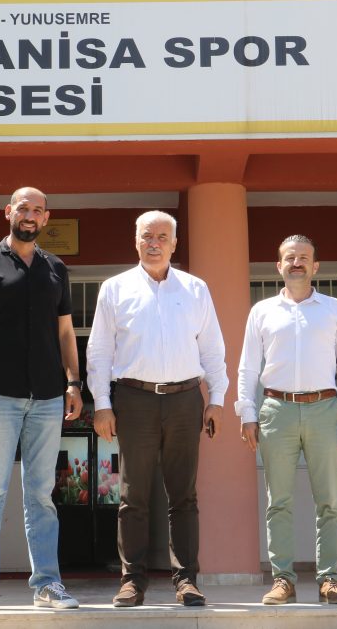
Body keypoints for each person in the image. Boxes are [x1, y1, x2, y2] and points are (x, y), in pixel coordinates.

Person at [86, 210, 228, 608]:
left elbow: (212, 349)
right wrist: (102, 404)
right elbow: (99, 351)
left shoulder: (195, 289)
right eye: (147, 236)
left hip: (185, 399)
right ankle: (132, 581)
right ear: (136, 241)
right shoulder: (115, 289)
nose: (154, 243)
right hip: (134, 400)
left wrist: (217, 399)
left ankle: (187, 581)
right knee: (133, 495)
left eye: (162, 237)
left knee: (184, 495)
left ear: (174, 243)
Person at [0, 187, 83, 612]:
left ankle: (47, 584)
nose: (30, 215)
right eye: (23, 208)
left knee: (41, 495)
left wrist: (73, 382)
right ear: (8, 212)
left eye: (37, 210)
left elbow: (65, 331)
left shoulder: (55, 268)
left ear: (46, 218)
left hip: (47, 397)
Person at [236, 234, 337, 605]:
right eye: (290, 258)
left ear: (315, 266)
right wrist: (247, 413)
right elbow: (248, 367)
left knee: (330, 501)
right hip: (276, 410)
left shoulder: (334, 309)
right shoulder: (262, 311)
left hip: (325, 409)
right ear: (278, 266)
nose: (297, 263)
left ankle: (329, 580)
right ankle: (283, 581)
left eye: (304, 258)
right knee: (278, 501)